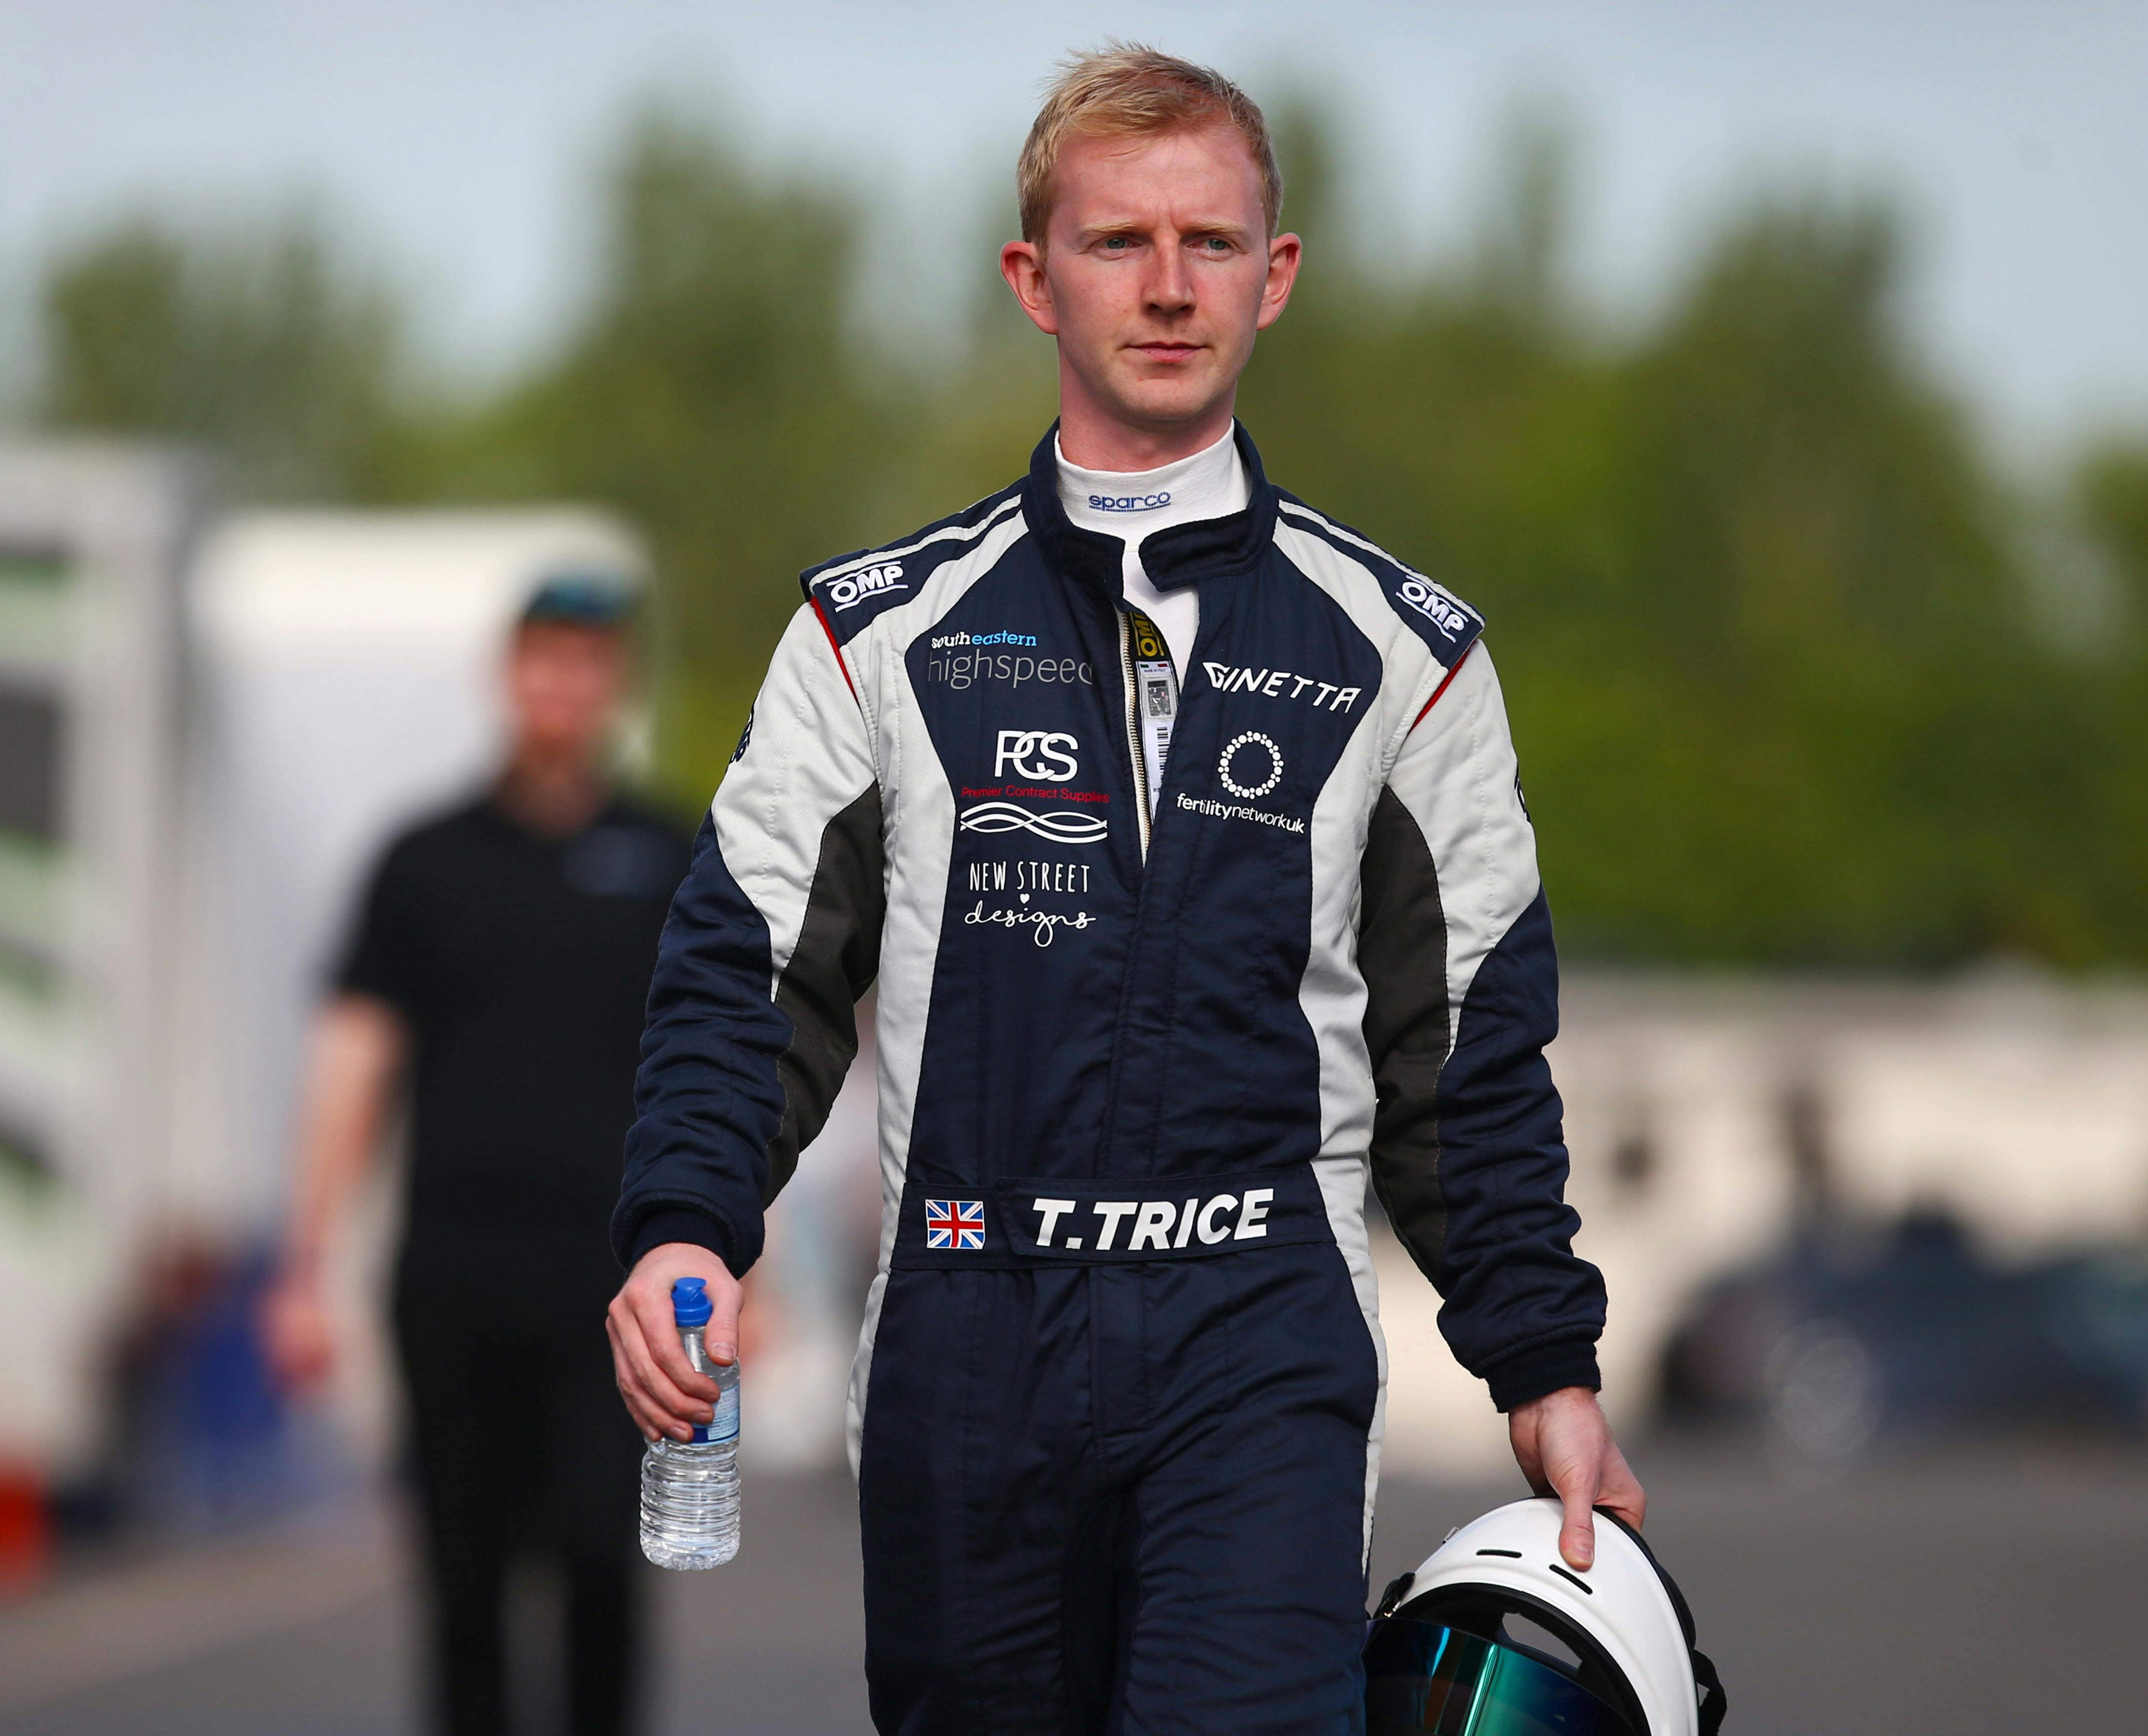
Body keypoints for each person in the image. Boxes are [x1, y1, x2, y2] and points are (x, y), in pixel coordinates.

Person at [608, 43, 1643, 1735]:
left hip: (1257, 1340)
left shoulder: (1411, 658)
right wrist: (678, 1224)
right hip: (964, 1341)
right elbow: (746, 974)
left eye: (1210, 242)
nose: (1168, 287)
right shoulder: (874, 636)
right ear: (1034, 277)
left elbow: (1464, 1053)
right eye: (1117, 242)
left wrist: (1540, 1358)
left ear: (1275, 275)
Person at [266, 576, 689, 1736]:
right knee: (466, 1586)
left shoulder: (671, 856)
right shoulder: (424, 860)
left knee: (606, 1568)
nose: (563, 685)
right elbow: (352, 1062)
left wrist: (748, 1259)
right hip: (453, 1276)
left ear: (615, 683)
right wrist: (304, 1266)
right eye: (542, 661)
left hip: (618, 1291)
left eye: (587, 662)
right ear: (507, 679)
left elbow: (727, 1067)